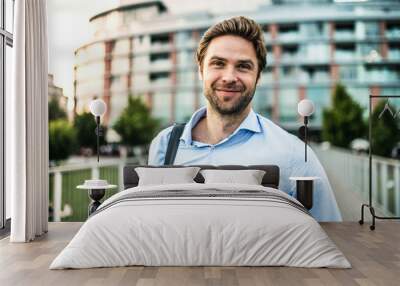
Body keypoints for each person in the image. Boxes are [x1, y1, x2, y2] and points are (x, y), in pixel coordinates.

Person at [148, 16, 342, 222]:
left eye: (243, 66)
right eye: (218, 63)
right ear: (200, 70)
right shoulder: (164, 145)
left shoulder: (295, 156)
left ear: (258, 76)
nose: (229, 77)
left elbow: (329, 235)